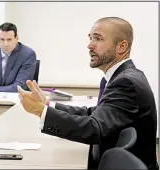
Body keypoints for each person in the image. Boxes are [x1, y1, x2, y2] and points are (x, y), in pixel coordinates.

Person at [17, 17, 158, 170]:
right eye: (90, 38)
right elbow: (96, 113)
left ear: (121, 47)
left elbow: (94, 128)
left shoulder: (126, 82)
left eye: (98, 39)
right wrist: (48, 105)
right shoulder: (123, 76)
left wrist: (41, 111)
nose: (89, 45)